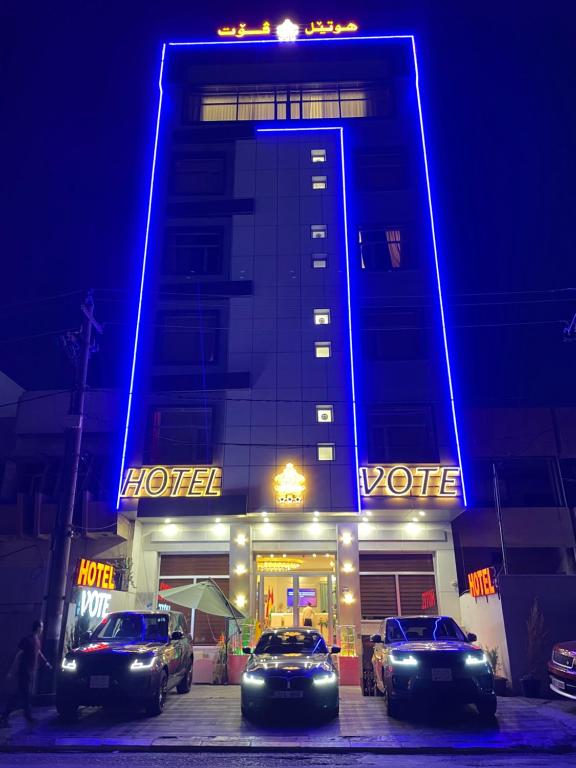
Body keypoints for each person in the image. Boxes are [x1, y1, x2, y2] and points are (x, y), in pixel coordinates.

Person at [0, 620, 52, 726]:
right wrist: (11, 670)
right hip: (24, 671)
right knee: (25, 694)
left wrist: (45, 662)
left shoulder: (37, 640)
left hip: (29, 671)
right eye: (41, 627)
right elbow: (18, 655)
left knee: (20, 694)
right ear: (38, 628)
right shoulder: (27, 640)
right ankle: (27, 717)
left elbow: (38, 652)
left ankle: (6, 715)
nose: (42, 629)